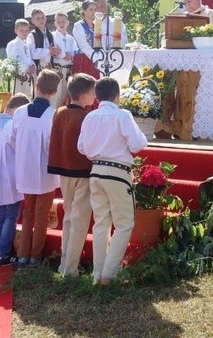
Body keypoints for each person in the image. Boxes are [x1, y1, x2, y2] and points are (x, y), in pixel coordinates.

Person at [77, 77, 148, 285]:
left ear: (97, 96)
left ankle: (98, 273)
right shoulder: (122, 115)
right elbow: (137, 144)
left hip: (96, 171)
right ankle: (109, 273)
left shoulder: (90, 117)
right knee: (125, 223)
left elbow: (82, 148)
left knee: (101, 223)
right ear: (117, 96)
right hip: (117, 172)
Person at [10, 70, 61, 268]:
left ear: (36, 86)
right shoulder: (52, 115)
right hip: (45, 172)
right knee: (41, 215)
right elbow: (52, 146)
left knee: (28, 213)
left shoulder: (20, 112)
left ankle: (22, 254)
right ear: (55, 91)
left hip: (24, 169)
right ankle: (35, 256)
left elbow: (12, 140)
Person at [47, 73, 97, 277]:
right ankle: (70, 269)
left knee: (69, 217)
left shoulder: (59, 112)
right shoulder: (86, 117)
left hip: (64, 170)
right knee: (80, 220)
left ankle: (64, 262)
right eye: (93, 93)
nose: (95, 97)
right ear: (84, 95)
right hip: (82, 172)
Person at [0, 92, 30, 266]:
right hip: (11, 174)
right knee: (10, 215)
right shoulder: (12, 125)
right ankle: (3, 253)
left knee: (0, 216)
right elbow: (20, 148)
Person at [49, 12, 77, 108]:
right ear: (55, 24)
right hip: (57, 70)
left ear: (68, 22)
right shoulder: (52, 36)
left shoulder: (71, 38)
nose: (61, 24)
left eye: (63, 21)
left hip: (68, 70)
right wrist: (64, 54)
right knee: (55, 97)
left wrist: (70, 56)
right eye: (59, 22)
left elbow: (75, 52)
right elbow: (54, 51)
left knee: (64, 98)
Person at [6, 18, 37, 98]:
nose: (24, 33)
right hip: (19, 77)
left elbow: (28, 58)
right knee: (17, 99)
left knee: (26, 99)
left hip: (28, 76)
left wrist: (33, 66)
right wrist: (26, 69)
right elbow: (14, 61)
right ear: (16, 31)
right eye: (21, 30)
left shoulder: (26, 44)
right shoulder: (13, 44)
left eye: (26, 30)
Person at [71, 0, 101, 82]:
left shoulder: (97, 26)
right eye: (91, 9)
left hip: (97, 59)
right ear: (84, 11)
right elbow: (83, 45)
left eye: (95, 10)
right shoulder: (79, 25)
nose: (93, 12)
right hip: (84, 59)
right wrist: (95, 58)